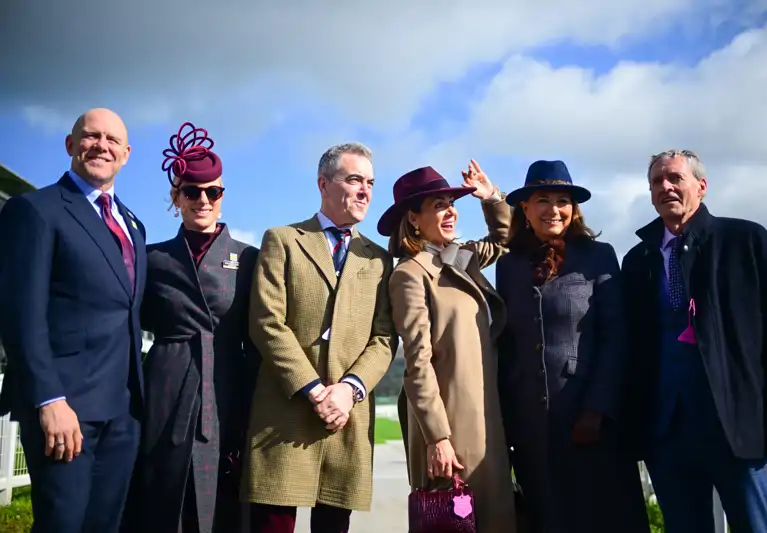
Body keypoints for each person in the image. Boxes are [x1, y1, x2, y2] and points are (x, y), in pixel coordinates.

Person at [621, 149, 767, 532]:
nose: (665, 187)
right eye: (657, 181)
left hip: (736, 424)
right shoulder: (638, 260)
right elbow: (633, 349)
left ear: (701, 186)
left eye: (675, 178)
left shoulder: (745, 240)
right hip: (666, 429)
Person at [0, 108, 147, 533]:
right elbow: (20, 314)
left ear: (126, 154)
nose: (101, 146)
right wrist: (49, 399)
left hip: (122, 411)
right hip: (66, 410)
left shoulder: (132, 224)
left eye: (112, 140)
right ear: (70, 144)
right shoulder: (35, 211)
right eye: (90, 136)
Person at [242, 142, 397, 533]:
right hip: (285, 411)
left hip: (345, 417)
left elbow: (383, 339)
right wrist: (313, 389)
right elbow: (266, 322)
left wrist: (348, 390)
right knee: (272, 524)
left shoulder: (377, 258)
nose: (365, 190)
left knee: (333, 524)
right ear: (323, 184)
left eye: (370, 182)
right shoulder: (282, 240)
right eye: (354, 179)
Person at [495, 160, 650, 533]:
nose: (553, 209)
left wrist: (596, 409)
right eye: (542, 200)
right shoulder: (509, 264)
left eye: (562, 200)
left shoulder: (599, 256)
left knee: (600, 518)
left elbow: (617, 339)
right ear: (525, 209)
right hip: (530, 428)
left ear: (574, 208)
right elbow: (508, 344)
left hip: (588, 423)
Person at [123, 122, 260, 533]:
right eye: (192, 192)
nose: (203, 200)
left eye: (212, 192)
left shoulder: (250, 258)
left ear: (222, 197)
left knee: (226, 495)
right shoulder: (151, 258)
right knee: (163, 489)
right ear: (176, 197)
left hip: (228, 388)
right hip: (167, 383)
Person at [381, 162, 517, 532]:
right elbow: (417, 362)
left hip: (486, 415)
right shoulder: (409, 274)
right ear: (413, 218)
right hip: (452, 426)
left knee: (496, 519)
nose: (451, 211)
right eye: (439, 205)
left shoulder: (462, 258)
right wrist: (437, 437)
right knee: (461, 522)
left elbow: (505, 239)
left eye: (451, 203)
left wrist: (490, 198)